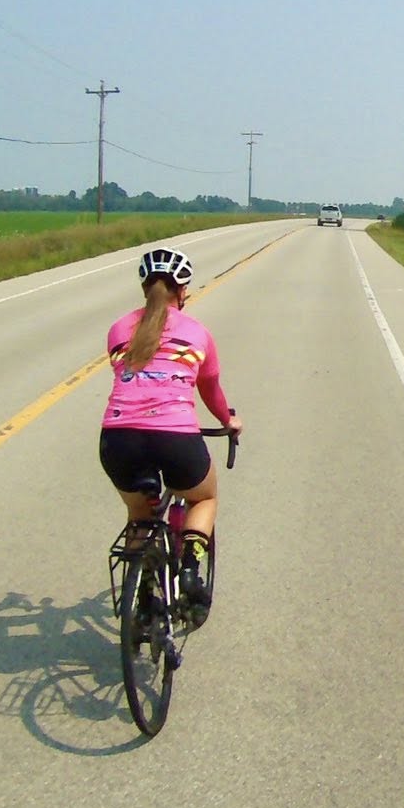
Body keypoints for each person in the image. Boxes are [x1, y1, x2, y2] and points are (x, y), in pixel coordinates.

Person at [98, 247, 241, 626]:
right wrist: (228, 420)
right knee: (204, 497)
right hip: (175, 438)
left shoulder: (118, 329)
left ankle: (144, 599)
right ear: (183, 290)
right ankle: (191, 569)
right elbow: (210, 390)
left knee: (139, 515)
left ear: (144, 287)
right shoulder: (197, 332)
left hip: (118, 439)